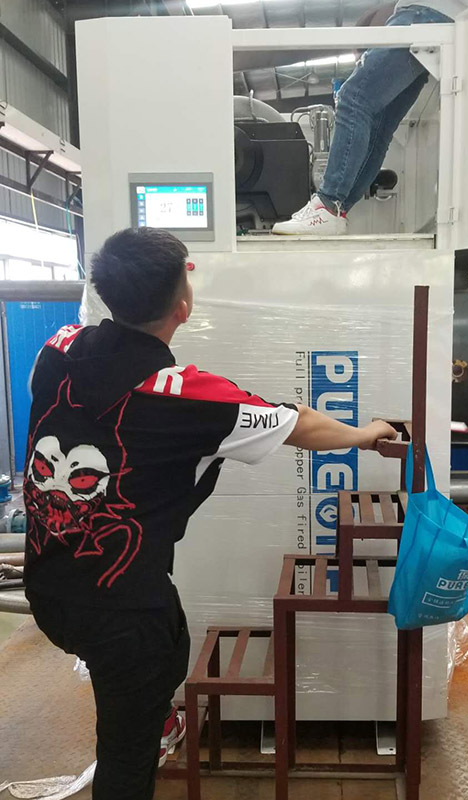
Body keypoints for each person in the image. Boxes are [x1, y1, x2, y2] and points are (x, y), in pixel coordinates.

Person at [23, 226, 397, 800]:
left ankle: (149, 715)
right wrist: (367, 432)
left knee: (163, 654)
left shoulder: (58, 347)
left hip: (48, 585)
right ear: (183, 304)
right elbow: (299, 423)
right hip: (121, 611)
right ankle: (144, 731)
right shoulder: (186, 397)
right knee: (127, 755)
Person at [272, 0, 468, 236]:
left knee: (353, 98)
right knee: (380, 127)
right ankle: (336, 211)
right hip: (443, 22)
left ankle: (327, 206)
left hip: (421, 16)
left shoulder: (397, 15)